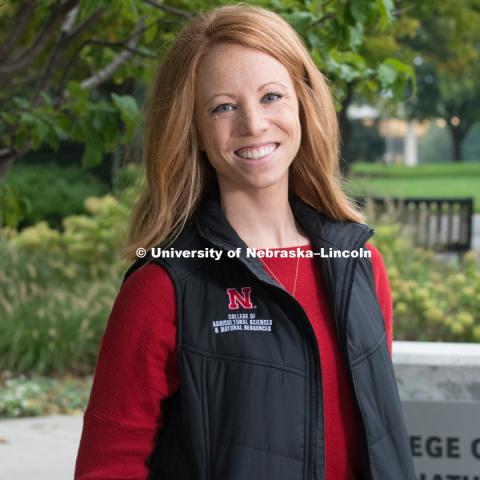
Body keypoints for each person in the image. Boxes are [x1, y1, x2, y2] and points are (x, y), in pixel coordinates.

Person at [75, 4, 416, 480]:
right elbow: (107, 468)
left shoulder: (360, 265)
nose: (253, 124)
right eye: (223, 107)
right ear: (192, 128)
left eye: (272, 96)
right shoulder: (164, 288)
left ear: (303, 103)